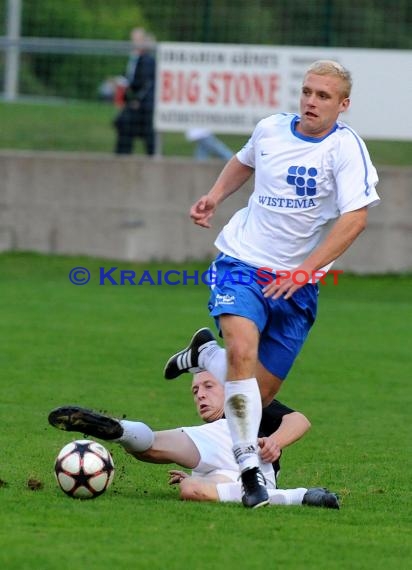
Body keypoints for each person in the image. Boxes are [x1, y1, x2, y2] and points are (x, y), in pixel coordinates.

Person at [163, 60, 380, 508]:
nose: (311, 101)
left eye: (323, 96)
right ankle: (248, 472)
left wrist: (304, 272)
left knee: (258, 395)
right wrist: (215, 198)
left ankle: (205, 353)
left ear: (344, 105)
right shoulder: (270, 130)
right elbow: (243, 162)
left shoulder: (345, 149)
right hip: (242, 261)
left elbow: (355, 219)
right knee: (243, 349)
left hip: (297, 286)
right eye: (306, 92)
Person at [47, 371, 339, 509]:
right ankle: (302, 496)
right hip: (249, 476)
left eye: (208, 386)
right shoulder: (210, 431)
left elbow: (299, 420)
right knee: (193, 491)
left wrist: (274, 441)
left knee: (151, 447)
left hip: (239, 444)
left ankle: (121, 430)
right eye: (195, 390)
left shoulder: (243, 403)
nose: (200, 394)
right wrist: (194, 475)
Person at [113, 28, 156, 155]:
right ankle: (123, 155)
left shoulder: (147, 59)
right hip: (135, 102)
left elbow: (146, 83)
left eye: (137, 39)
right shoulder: (134, 58)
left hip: (143, 104)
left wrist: (136, 99)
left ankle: (124, 155)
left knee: (146, 133)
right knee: (125, 126)